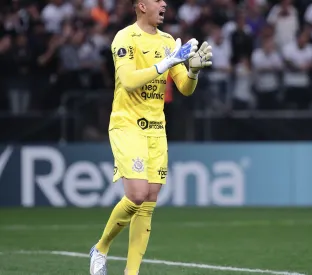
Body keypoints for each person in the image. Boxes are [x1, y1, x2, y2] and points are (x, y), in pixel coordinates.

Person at [88, 0, 212, 273]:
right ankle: (101, 248)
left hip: (156, 128)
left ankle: (131, 272)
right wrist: (166, 62)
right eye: (157, 0)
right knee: (137, 194)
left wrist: (193, 71)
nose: (164, 4)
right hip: (127, 124)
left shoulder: (169, 41)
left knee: (149, 200)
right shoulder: (125, 37)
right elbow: (129, 81)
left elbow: (185, 89)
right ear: (141, 6)